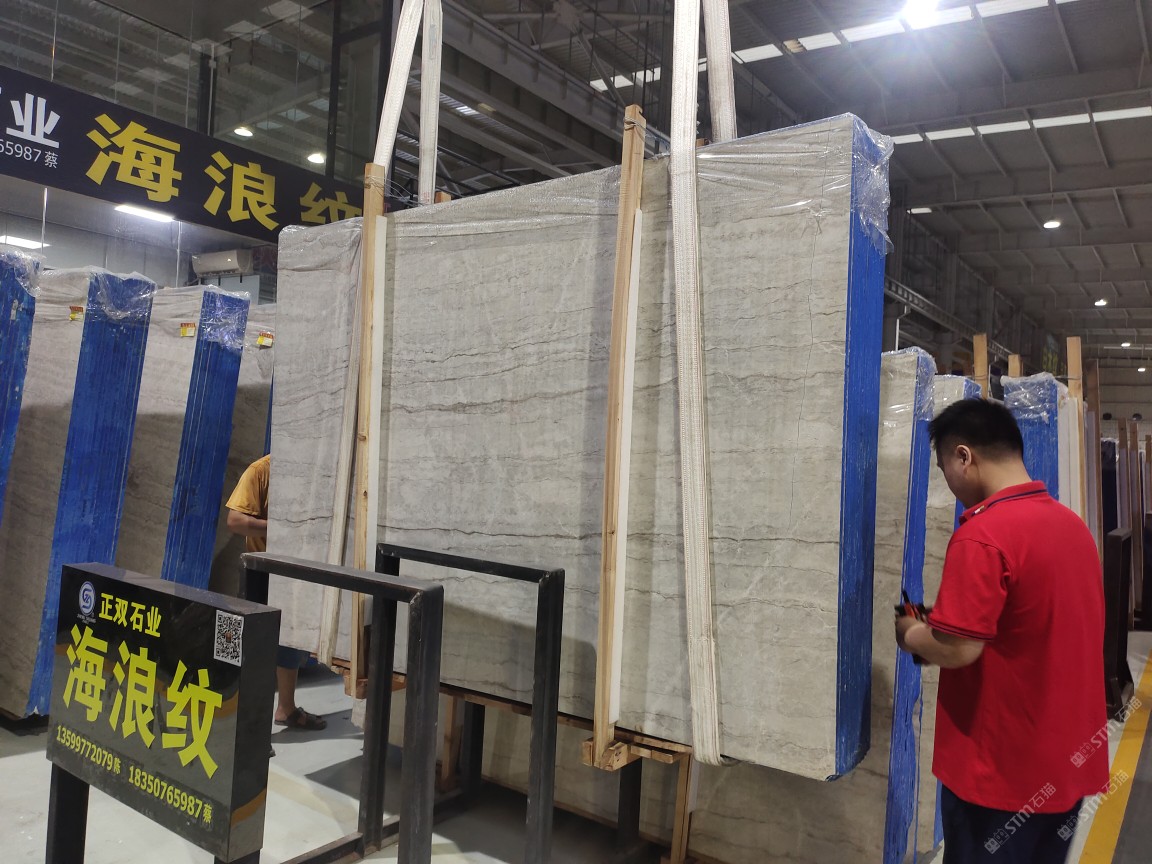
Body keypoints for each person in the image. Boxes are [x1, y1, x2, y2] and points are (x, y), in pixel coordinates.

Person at [895, 398, 1108, 863]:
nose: (949, 483)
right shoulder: (1072, 527)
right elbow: (1030, 626)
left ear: (963, 456)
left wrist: (911, 632)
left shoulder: (983, 535)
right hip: (1063, 770)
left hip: (1000, 780)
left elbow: (959, 649)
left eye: (944, 468)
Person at [227, 454, 327, 732]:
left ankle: (286, 709)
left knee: (291, 645)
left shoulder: (313, 469)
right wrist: (281, 528)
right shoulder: (260, 470)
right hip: (262, 572)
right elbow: (235, 521)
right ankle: (250, 729)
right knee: (256, 651)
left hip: (295, 570)